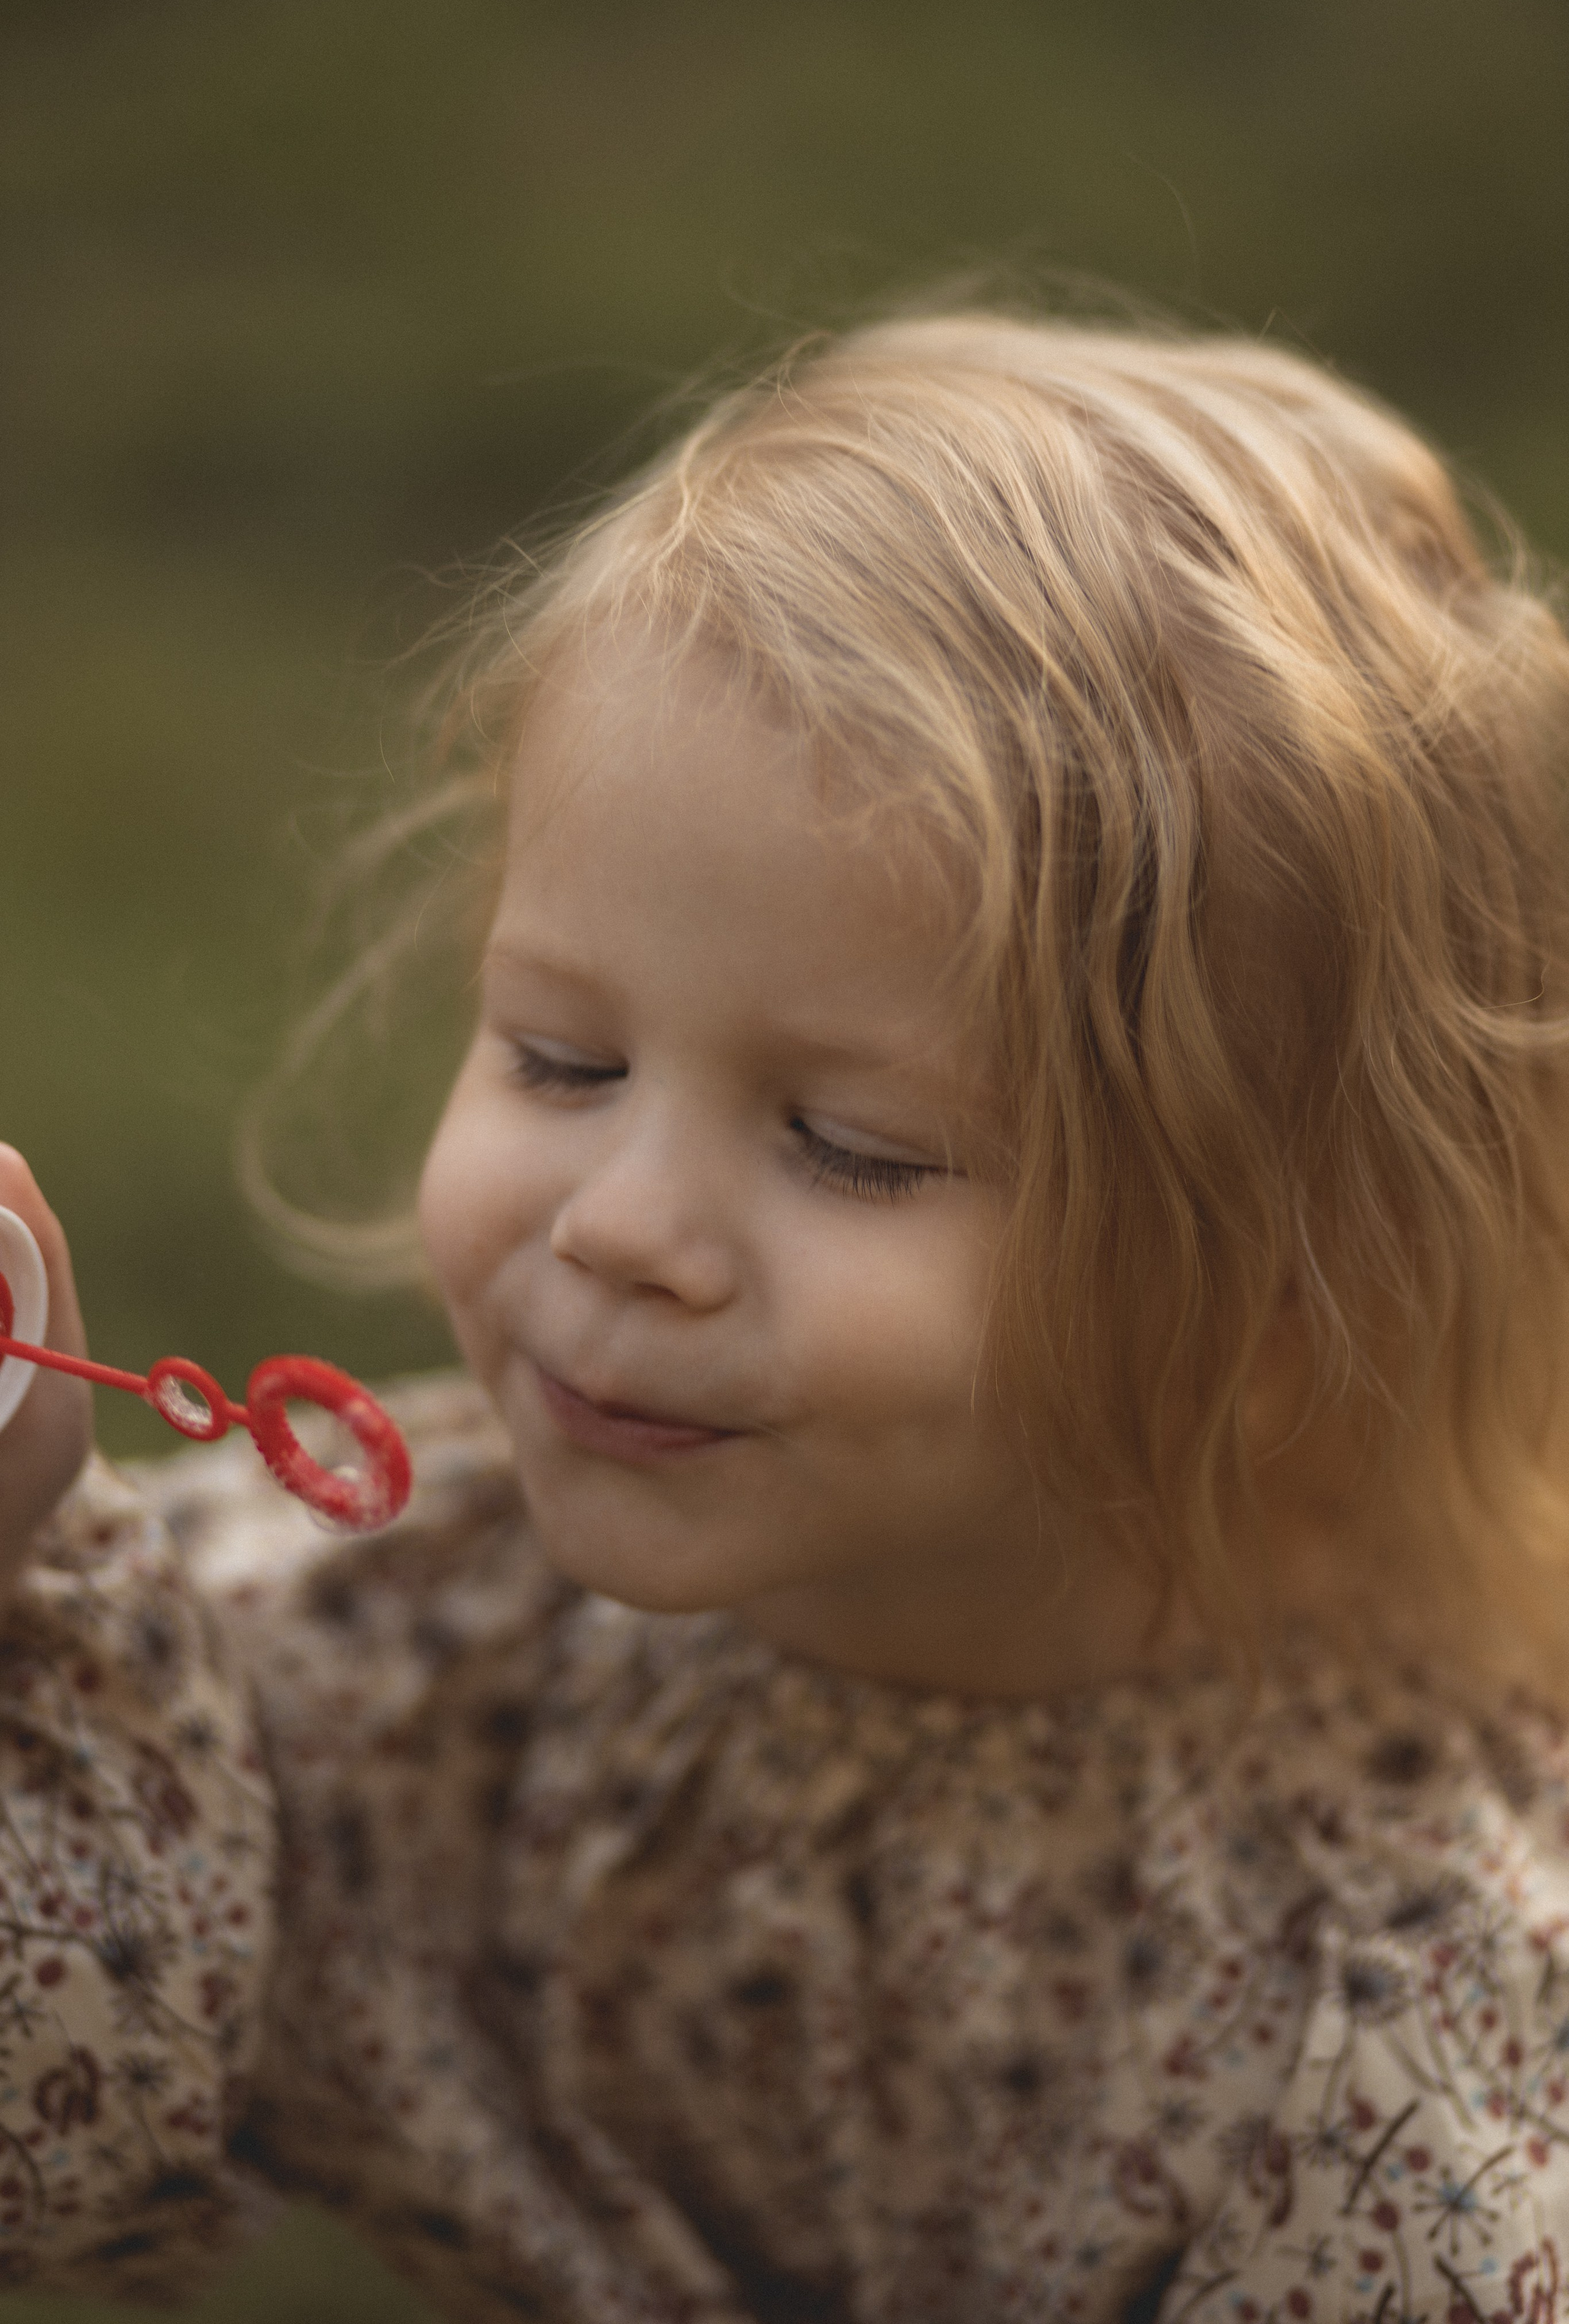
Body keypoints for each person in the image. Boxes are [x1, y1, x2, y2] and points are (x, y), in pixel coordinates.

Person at [2, 309, 1569, 2324]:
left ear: (1282, 1299)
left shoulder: (1389, 2037)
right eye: (564, 1059)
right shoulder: (424, 1641)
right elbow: (60, 2099)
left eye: (852, 1147)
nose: (622, 1228)